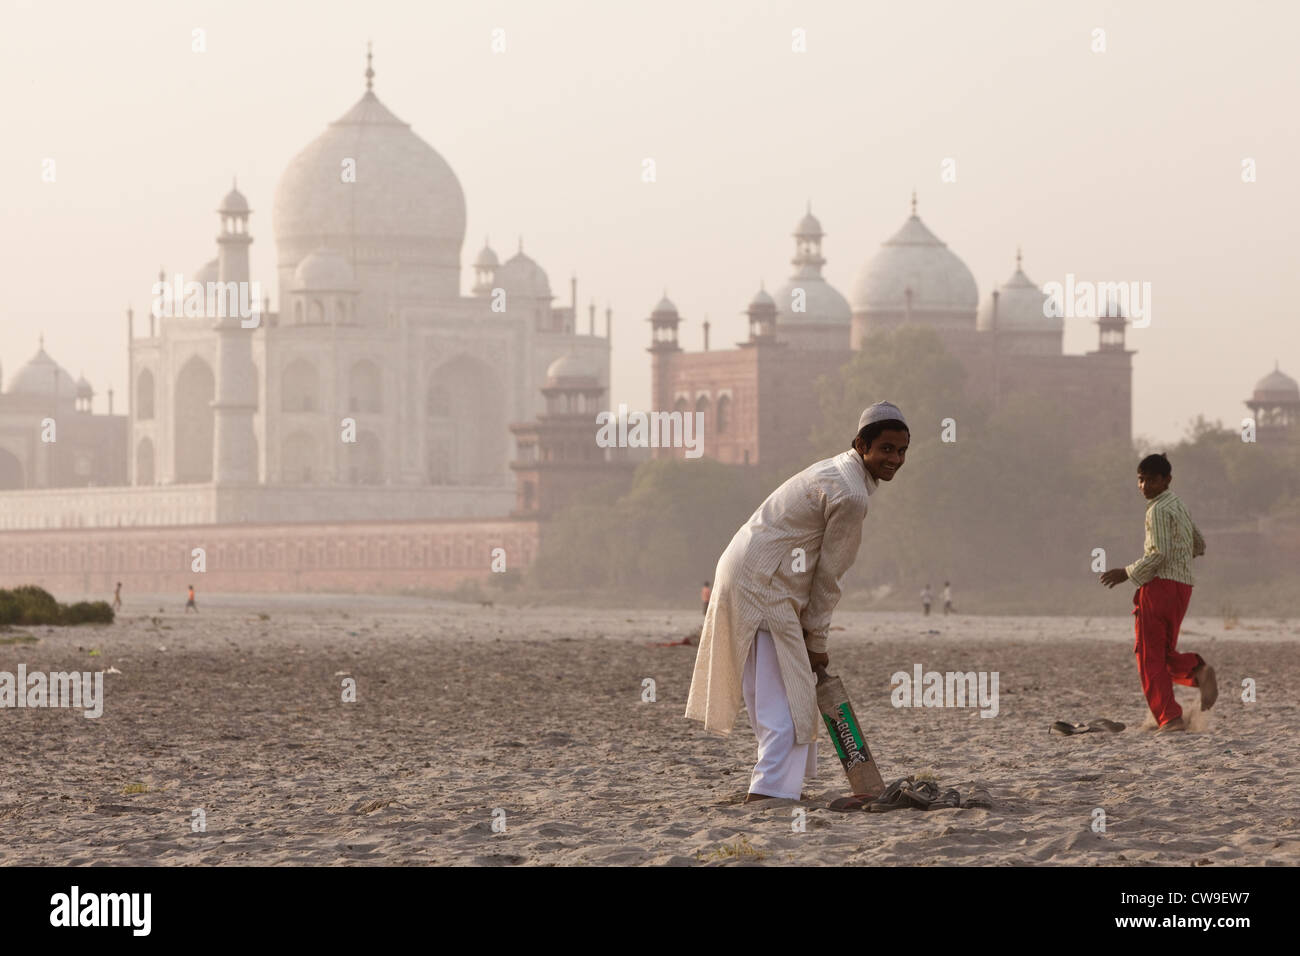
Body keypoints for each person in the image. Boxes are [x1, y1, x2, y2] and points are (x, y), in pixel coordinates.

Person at [685, 401, 908, 802]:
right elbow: (828, 577)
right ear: (861, 444)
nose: (895, 459)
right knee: (787, 706)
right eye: (886, 449)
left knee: (786, 699)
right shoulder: (852, 494)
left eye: (902, 450)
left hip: (749, 573)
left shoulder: (836, 470)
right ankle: (769, 792)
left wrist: (811, 637)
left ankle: (780, 788)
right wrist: (817, 643)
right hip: (763, 585)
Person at [1100, 453, 1216, 733]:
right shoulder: (1179, 505)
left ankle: (1170, 717)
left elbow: (1159, 554)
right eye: (1141, 480)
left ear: (1167, 480)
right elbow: (1198, 544)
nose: (1145, 486)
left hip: (1159, 587)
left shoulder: (1156, 510)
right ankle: (1196, 670)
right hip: (1182, 589)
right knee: (1162, 654)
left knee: (1148, 657)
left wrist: (1126, 572)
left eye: (1152, 480)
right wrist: (1180, 555)